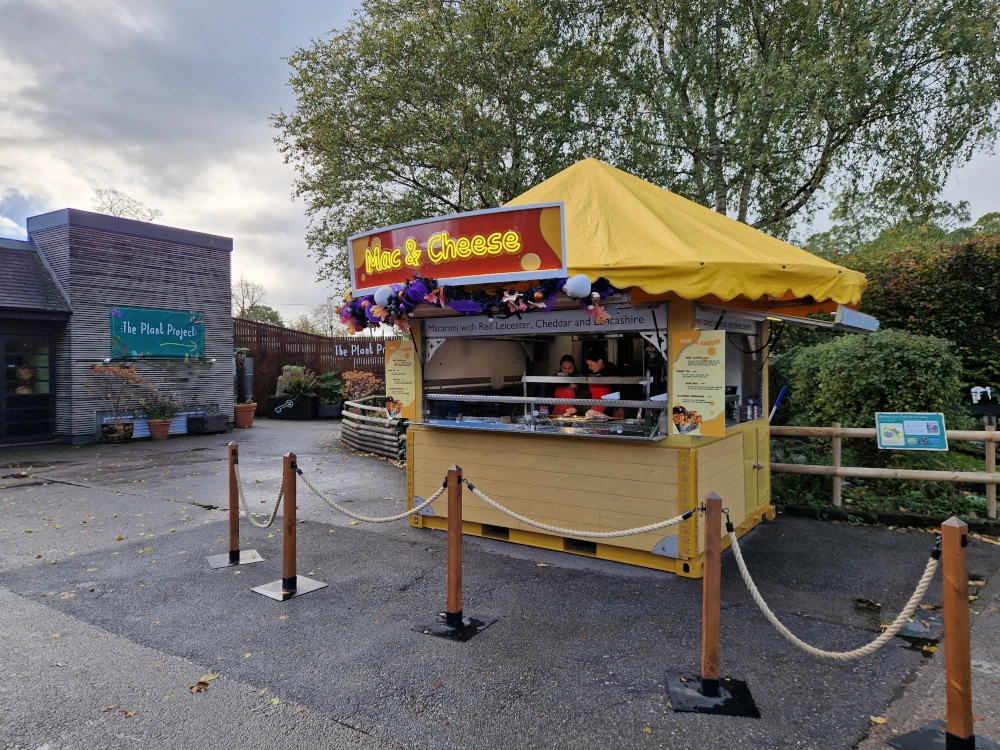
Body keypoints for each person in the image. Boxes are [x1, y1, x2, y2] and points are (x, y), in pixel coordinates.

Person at [583, 346, 623, 417]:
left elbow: (618, 395)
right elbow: (587, 394)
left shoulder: (612, 371)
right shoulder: (591, 372)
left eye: (591, 365)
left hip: (612, 413)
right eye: (588, 365)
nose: (589, 367)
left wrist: (605, 413)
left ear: (600, 361)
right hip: (595, 412)